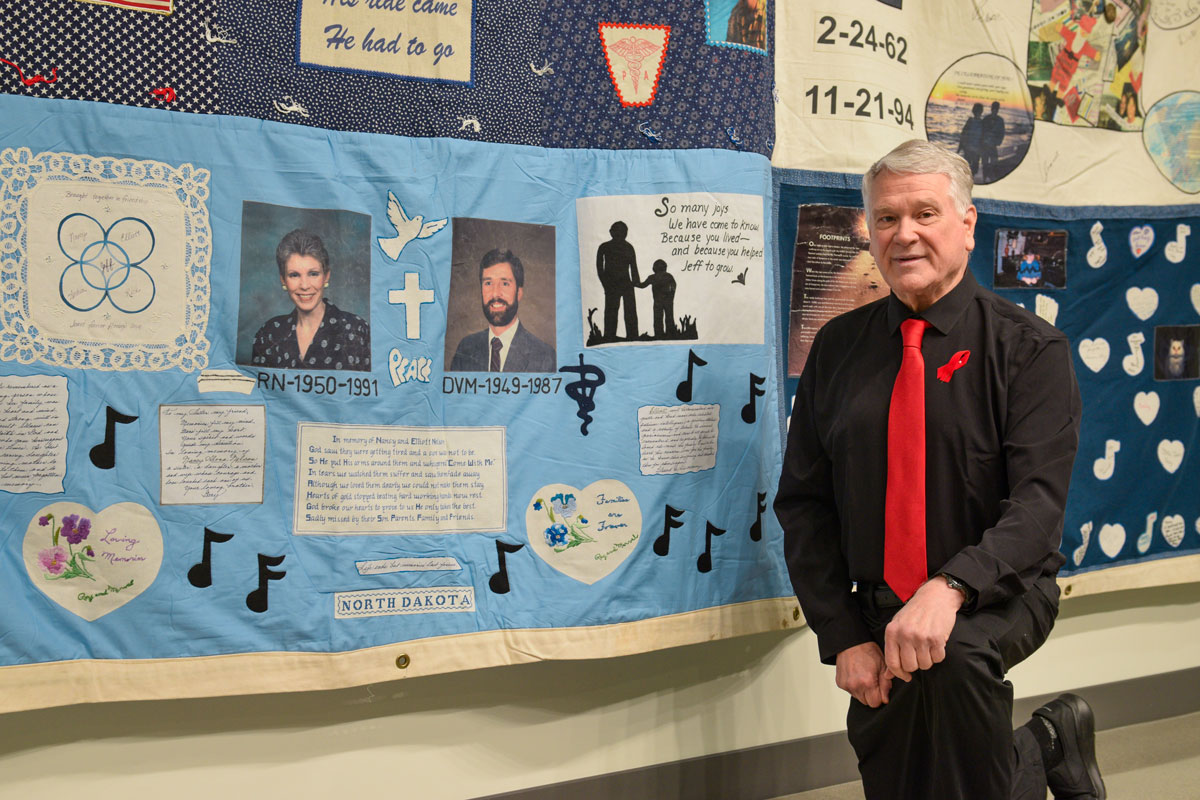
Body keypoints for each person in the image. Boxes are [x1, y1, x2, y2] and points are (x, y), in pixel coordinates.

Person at [775, 140, 1104, 800]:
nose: (905, 234)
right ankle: (1041, 747)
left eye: (925, 213)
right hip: (878, 603)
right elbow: (804, 506)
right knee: (898, 757)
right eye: (887, 219)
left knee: (951, 664)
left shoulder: (1029, 350)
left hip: (1000, 592)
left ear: (967, 222)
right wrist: (843, 637)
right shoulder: (838, 349)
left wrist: (950, 587)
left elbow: (1037, 510)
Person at [251, 228, 371, 371]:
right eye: (294, 275)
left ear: (326, 276)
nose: (305, 286)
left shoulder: (357, 330)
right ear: (283, 280)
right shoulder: (268, 334)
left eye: (313, 274)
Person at [450, 248, 555, 372]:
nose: (495, 294)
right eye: (488, 283)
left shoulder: (545, 357)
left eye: (505, 283)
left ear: (519, 293)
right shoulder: (465, 349)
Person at [596, 221, 641, 341]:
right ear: (611, 232)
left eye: (623, 232)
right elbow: (600, 268)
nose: (621, 234)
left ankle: (632, 336)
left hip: (626, 283)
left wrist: (636, 282)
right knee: (611, 311)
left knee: (630, 311)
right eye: (618, 231)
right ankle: (610, 336)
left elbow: (633, 267)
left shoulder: (628, 247)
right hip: (612, 284)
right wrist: (605, 284)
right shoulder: (604, 247)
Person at [639, 258, 678, 338]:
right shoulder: (668, 276)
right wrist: (671, 296)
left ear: (654, 268)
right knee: (669, 317)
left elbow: (642, 285)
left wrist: (633, 283)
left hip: (658, 301)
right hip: (667, 300)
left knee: (658, 319)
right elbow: (674, 286)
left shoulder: (652, 277)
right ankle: (669, 334)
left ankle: (659, 335)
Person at [957, 102, 984, 179]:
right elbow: (963, 134)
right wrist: (960, 147)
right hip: (969, 148)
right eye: (977, 111)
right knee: (967, 167)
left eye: (979, 111)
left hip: (975, 149)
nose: (977, 113)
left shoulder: (982, 123)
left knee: (973, 168)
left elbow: (963, 135)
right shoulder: (971, 121)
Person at [981, 101, 1006, 181]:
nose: (995, 110)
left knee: (993, 162)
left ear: (998, 109)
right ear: (991, 109)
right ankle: (985, 178)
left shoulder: (1000, 120)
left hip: (993, 145)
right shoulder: (986, 118)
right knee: (985, 162)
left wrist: (998, 142)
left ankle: (990, 177)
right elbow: (982, 131)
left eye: (996, 108)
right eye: (994, 108)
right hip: (985, 145)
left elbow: (1002, 132)